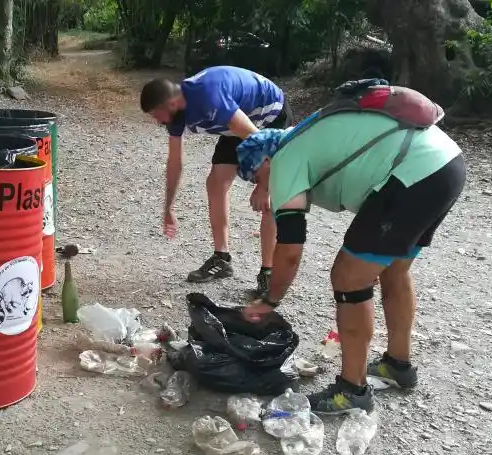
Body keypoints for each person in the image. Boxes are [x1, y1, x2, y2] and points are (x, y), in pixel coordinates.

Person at [236, 94, 466, 414]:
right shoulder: (305, 138)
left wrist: (269, 301)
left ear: (264, 162)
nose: (262, 186)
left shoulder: (285, 157)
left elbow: (289, 250)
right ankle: (397, 365)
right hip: (446, 164)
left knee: (348, 276)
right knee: (394, 269)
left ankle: (353, 389)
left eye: (256, 178)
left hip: (413, 172)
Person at [140, 66, 293, 295]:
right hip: (238, 120)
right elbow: (175, 162)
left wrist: (264, 186)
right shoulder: (176, 112)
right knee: (216, 182)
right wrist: (168, 207)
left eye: (155, 115)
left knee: (270, 198)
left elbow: (258, 139)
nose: (156, 121)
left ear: (169, 104)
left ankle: (268, 273)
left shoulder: (209, 97)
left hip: (269, 114)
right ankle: (222, 259)